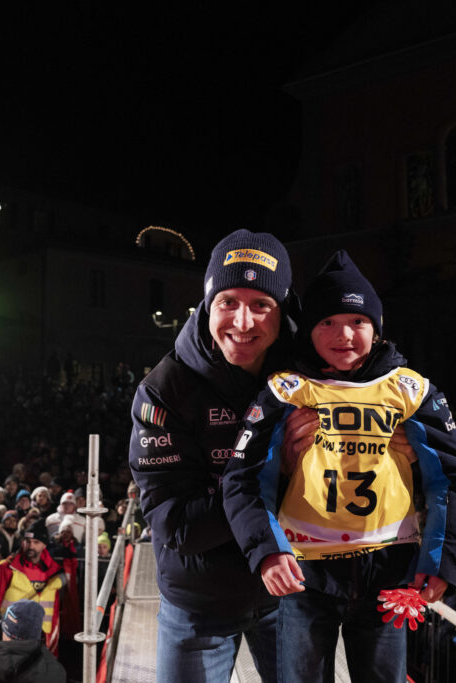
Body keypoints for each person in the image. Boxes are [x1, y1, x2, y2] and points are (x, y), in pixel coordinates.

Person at [221, 249, 456, 682]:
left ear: (377, 329)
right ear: (309, 329)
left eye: (358, 321)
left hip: (389, 568)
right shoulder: (286, 389)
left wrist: (443, 563)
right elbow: (243, 478)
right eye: (327, 321)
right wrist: (266, 551)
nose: (344, 334)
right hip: (304, 572)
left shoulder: (411, 389)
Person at [129, 229, 296, 682]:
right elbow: (177, 526)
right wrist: (277, 473)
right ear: (207, 305)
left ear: (283, 311)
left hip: (289, 594)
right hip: (199, 604)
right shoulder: (164, 390)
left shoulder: (307, 376)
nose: (243, 321)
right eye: (228, 302)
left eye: (261, 304)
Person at [0, 521, 63, 655]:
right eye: (27, 541)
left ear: (44, 545)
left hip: (40, 637)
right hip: (9, 635)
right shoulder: (6, 568)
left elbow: (54, 610)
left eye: (36, 542)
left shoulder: (53, 572)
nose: (30, 546)